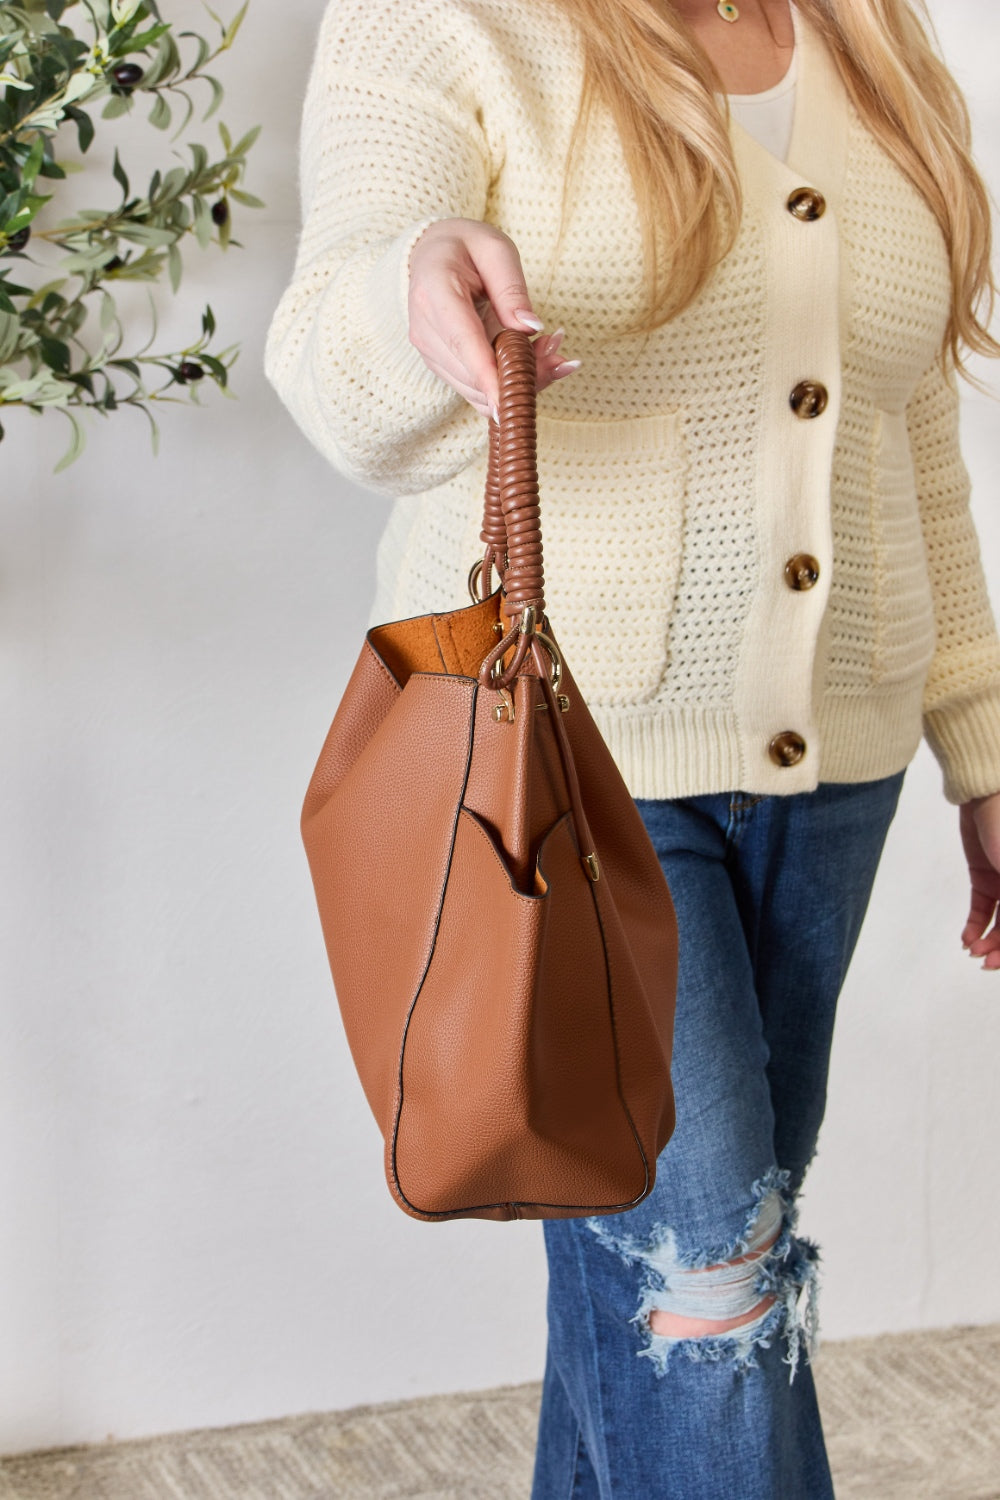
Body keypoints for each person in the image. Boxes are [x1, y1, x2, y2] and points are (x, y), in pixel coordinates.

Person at [263, 0, 1000, 1493]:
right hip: (565, 779)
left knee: (660, 1286)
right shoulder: (449, 22)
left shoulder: (869, 29)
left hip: (836, 774)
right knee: (713, 1293)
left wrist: (983, 743)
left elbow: (911, 424)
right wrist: (410, 289)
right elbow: (331, 341)